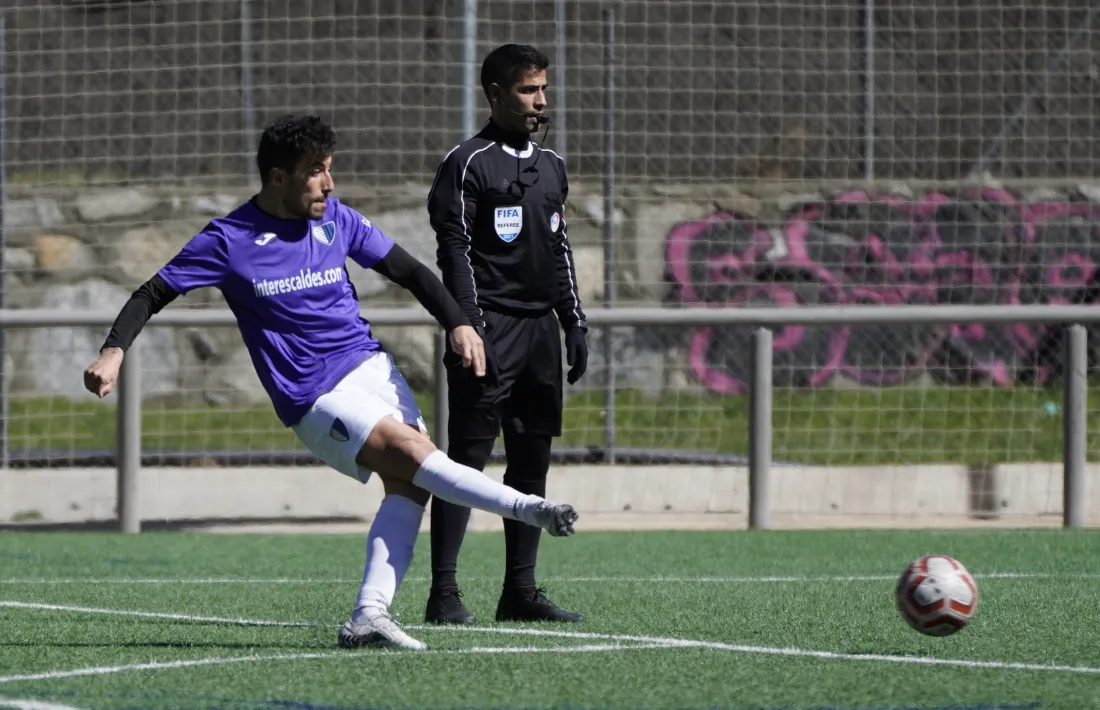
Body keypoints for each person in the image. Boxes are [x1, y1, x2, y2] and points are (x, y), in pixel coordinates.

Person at [82, 114, 579, 651]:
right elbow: (152, 292)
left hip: (371, 369)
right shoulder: (228, 240)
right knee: (413, 453)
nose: (329, 183)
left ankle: (370, 615)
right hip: (313, 394)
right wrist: (114, 350)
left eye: (329, 168)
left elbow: (411, 272)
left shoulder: (337, 219)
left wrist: (458, 322)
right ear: (279, 178)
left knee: (410, 485)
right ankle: (530, 508)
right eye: (316, 171)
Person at [424, 44, 587, 625]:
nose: (540, 100)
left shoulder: (553, 165)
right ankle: (444, 592)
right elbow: (454, 250)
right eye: (527, 89)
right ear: (496, 94)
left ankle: (520, 591)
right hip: (489, 328)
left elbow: (559, 248)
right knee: (465, 462)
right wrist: (466, 323)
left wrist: (572, 320)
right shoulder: (467, 162)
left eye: (543, 88)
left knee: (531, 460)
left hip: (540, 332)